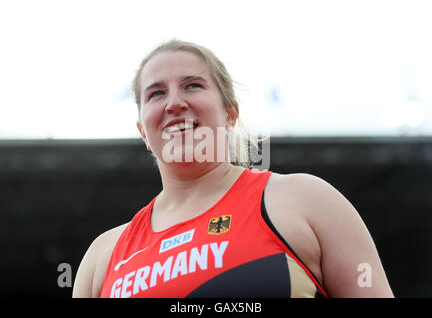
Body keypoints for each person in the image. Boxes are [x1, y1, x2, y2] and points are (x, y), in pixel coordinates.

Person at [72, 39, 394, 298]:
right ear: (143, 131)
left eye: (192, 86)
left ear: (230, 114)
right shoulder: (103, 256)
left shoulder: (305, 201)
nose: (174, 103)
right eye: (156, 93)